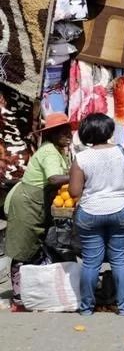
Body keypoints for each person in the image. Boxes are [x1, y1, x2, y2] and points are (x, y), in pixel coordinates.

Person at [69, 114, 124, 316]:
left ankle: (87, 308)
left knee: (91, 262)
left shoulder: (81, 158)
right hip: (121, 209)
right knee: (120, 259)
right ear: (109, 131)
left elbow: (73, 192)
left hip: (90, 212)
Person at [4, 113, 72, 305]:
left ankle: (32, 288)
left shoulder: (60, 151)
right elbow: (53, 178)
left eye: (68, 131)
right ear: (51, 134)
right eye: (62, 131)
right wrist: (79, 173)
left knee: (36, 247)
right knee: (22, 247)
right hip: (26, 203)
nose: (68, 135)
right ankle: (18, 294)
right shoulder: (49, 151)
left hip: (39, 203)